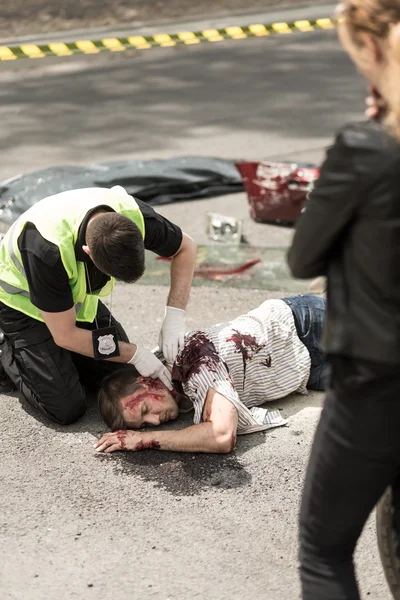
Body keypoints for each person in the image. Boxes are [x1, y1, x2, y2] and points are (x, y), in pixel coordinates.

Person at [287, 2, 400, 598]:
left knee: (324, 551)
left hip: (378, 382)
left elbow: (303, 258)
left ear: (373, 52)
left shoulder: (365, 149)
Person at [0, 185, 197, 425]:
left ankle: (52, 359)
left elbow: (186, 248)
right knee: (65, 406)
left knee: (119, 374)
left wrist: (175, 316)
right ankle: (8, 348)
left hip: (72, 300)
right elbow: (65, 335)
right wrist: (135, 353)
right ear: (88, 252)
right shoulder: (46, 249)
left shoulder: (134, 216)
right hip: (22, 307)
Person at [94, 294, 329, 454]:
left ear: (146, 381)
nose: (154, 421)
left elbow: (222, 435)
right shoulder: (165, 373)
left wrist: (144, 439)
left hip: (308, 328)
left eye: (145, 410)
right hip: (305, 369)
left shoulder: (194, 361)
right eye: (144, 425)